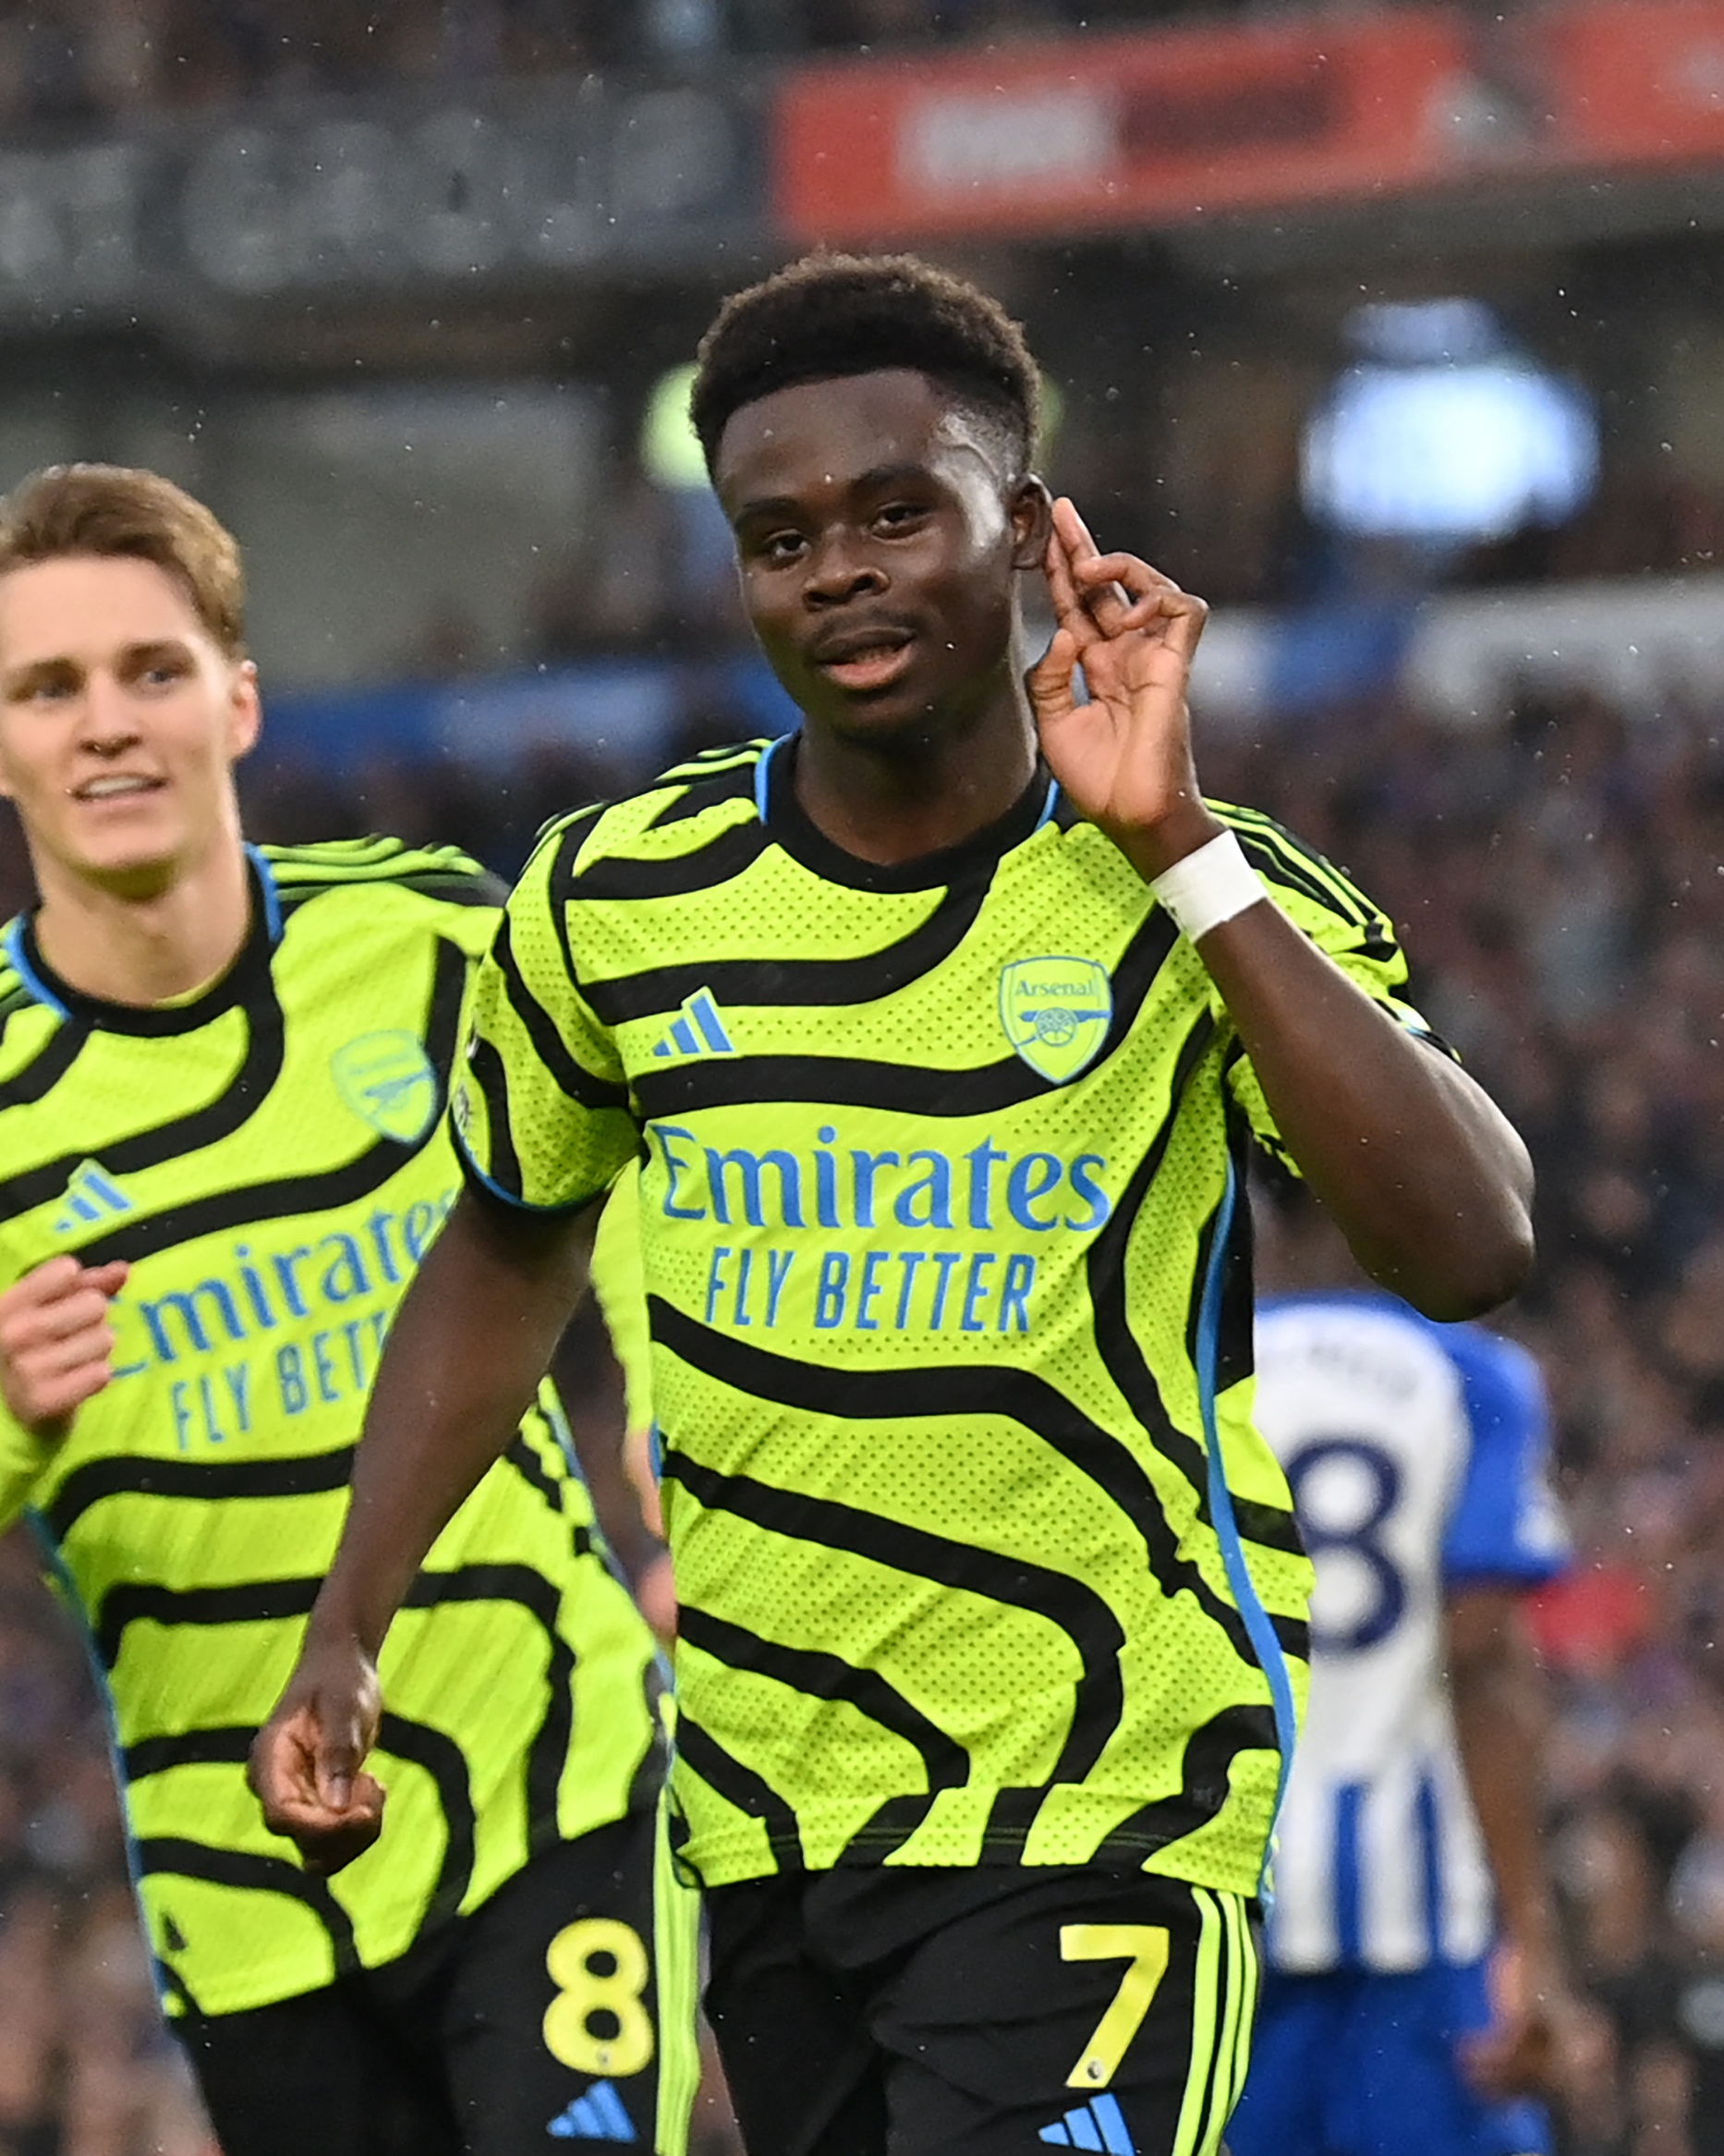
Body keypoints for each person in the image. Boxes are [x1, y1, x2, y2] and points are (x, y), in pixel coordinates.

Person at [251, 253, 1536, 2156]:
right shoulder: (616, 900)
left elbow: (1475, 1239)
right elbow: (509, 1233)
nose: (836, 567)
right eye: (780, 536)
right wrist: (350, 1615)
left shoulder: (1195, 888)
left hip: (1099, 1797)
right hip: (767, 1809)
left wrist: (1172, 841)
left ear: (1022, 530)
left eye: (892, 511)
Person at [0, 465, 698, 2156]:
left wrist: (680, 1430)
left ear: (235, 700)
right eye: (49, 686)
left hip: (553, 1785)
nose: (108, 723)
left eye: (151, 670)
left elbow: (648, 1164)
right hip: (246, 1892)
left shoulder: (432, 940)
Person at [1226, 1176, 1584, 2156]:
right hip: (1413, 1923)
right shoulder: (1471, 1375)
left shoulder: (1194, 1375)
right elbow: (1485, 1660)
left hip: (1224, 1898)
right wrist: (1534, 1942)